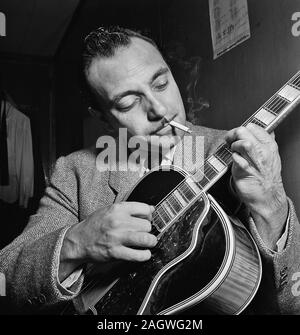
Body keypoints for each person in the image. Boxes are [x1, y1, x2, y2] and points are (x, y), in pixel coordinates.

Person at [0, 26, 300, 315]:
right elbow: (8, 277)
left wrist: (270, 204)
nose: (158, 109)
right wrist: (77, 242)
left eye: (161, 83)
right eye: (129, 102)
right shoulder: (76, 171)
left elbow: (291, 304)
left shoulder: (241, 156)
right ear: (103, 118)